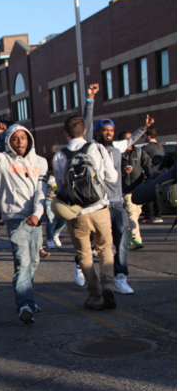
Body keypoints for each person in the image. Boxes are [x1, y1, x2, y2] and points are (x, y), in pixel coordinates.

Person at [84, 83, 153, 295]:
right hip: (99, 206)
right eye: (105, 130)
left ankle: (121, 278)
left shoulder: (117, 148)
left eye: (111, 130)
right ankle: (83, 267)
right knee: (97, 245)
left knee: (122, 240)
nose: (109, 133)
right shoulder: (92, 147)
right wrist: (90, 100)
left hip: (118, 204)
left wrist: (144, 128)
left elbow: (131, 139)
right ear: (97, 133)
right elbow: (87, 126)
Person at [0, 122, 48, 324]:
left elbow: (41, 191)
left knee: (33, 261)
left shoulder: (41, 161)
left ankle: (28, 298)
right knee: (22, 263)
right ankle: (25, 305)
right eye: (15, 138)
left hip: (35, 219)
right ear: (9, 141)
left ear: (29, 139)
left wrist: (37, 214)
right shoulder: (2, 160)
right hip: (15, 219)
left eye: (23, 138)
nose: (20, 142)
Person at [53, 113, 118, 313]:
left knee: (84, 253)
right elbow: (113, 178)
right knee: (105, 248)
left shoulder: (60, 155)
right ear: (85, 131)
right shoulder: (97, 148)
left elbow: (61, 186)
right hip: (100, 208)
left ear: (66, 133)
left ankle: (94, 294)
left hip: (77, 213)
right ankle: (108, 286)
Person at [122, 134, 152, 249]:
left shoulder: (139, 152)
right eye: (126, 139)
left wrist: (151, 179)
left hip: (139, 189)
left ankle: (129, 235)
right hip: (126, 189)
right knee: (132, 215)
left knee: (136, 213)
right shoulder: (118, 153)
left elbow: (148, 166)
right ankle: (137, 240)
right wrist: (123, 171)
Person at [141, 127, 164, 223]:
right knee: (157, 195)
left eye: (145, 135)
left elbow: (141, 160)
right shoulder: (160, 146)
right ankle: (158, 215)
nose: (144, 137)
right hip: (160, 173)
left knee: (149, 194)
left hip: (151, 173)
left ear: (148, 136)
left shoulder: (146, 148)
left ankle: (149, 215)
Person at [43, 163, 66, 250]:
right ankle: (50, 240)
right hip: (49, 200)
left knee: (62, 220)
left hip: (60, 201)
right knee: (50, 221)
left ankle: (56, 234)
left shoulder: (61, 175)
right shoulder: (47, 176)